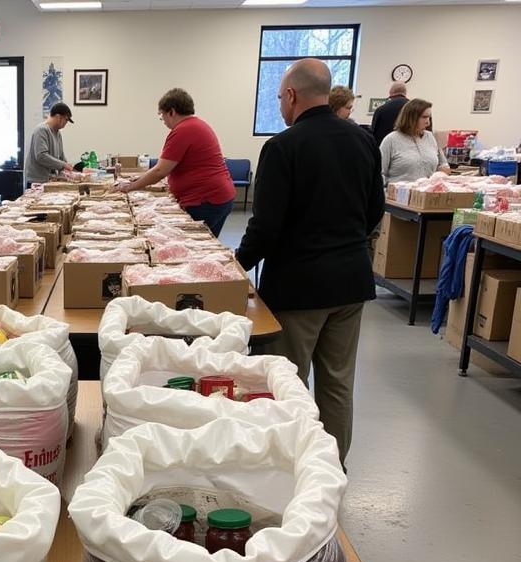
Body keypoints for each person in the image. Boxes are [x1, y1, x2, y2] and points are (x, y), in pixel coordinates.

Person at [235, 59, 384, 466]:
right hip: (351, 283)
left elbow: (266, 226)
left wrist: (234, 267)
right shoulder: (363, 141)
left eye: (280, 97)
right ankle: (330, 467)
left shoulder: (283, 146)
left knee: (287, 381)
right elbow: (375, 210)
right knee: (337, 383)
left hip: (299, 286)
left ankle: (289, 465)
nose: (280, 105)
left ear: (292, 95)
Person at [115, 88, 235, 237]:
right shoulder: (197, 125)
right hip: (217, 197)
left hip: (206, 200)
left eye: (162, 115)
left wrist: (131, 187)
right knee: (200, 243)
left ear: (171, 112)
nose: (163, 121)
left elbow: (160, 170)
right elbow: (170, 165)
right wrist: (139, 179)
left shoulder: (183, 130)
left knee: (192, 245)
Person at [379, 98, 451, 184]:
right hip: (399, 194)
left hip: (427, 193)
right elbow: (379, 174)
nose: (428, 123)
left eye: (429, 117)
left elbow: (443, 165)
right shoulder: (391, 140)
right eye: (424, 117)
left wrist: (441, 174)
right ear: (411, 118)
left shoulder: (430, 137)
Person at [25, 102, 74, 185]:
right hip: (37, 181)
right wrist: (63, 165)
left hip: (48, 180)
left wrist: (67, 166)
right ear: (58, 117)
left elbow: (61, 156)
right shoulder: (41, 130)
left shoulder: (57, 133)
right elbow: (41, 156)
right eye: (66, 120)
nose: (66, 123)